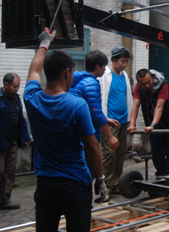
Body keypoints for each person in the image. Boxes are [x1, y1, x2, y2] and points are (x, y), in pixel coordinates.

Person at [23, 28, 106, 231]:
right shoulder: (77, 105)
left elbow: (33, 70)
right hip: (75, 184)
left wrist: (44, 44)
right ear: (67, 73)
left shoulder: (31, 98)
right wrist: (100, 179)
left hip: (45, 184)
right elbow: (92, 147)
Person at [0, 73, 31, 213]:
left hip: (12, 142)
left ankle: (4, 200)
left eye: (18, 86)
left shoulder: (16, 99)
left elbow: (21, 119)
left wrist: (25, 137)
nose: (17, 89)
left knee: (10, 172)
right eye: (15, 86)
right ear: (6, 85)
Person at [69, 50, 120, 177]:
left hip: (72, 131)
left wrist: (106, 119)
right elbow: (95, 113)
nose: (105, 69)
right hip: (85, 132)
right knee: (88, 169)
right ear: (97, 66)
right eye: (104, 66)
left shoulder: (76, 80)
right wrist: (110, 136)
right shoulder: (91, 83)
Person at [128, 69, 169, 178]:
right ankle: (161, 175)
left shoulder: (163, 85)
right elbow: (135, 105)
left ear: (152, 78)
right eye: (144, 84)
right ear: (139, 82)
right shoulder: (138, 87)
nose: (147, 85)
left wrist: (152, 125)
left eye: (149, 82)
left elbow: (159, 106)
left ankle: (167, 175)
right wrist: (132, 124)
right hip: (155, 125)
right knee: (157, 153)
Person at [99, 46, 132, 195]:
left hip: (123, 121)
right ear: (114, 60)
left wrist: (130, 120)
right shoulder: (105, 75)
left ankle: (116, 183)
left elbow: (128, 98)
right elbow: (100, 98)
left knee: (120, 154)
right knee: (108, 155)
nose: (124, 65)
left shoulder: (124, 75)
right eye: (122, 61)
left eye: (126, 62)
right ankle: (106, 186)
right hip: (110, 121)